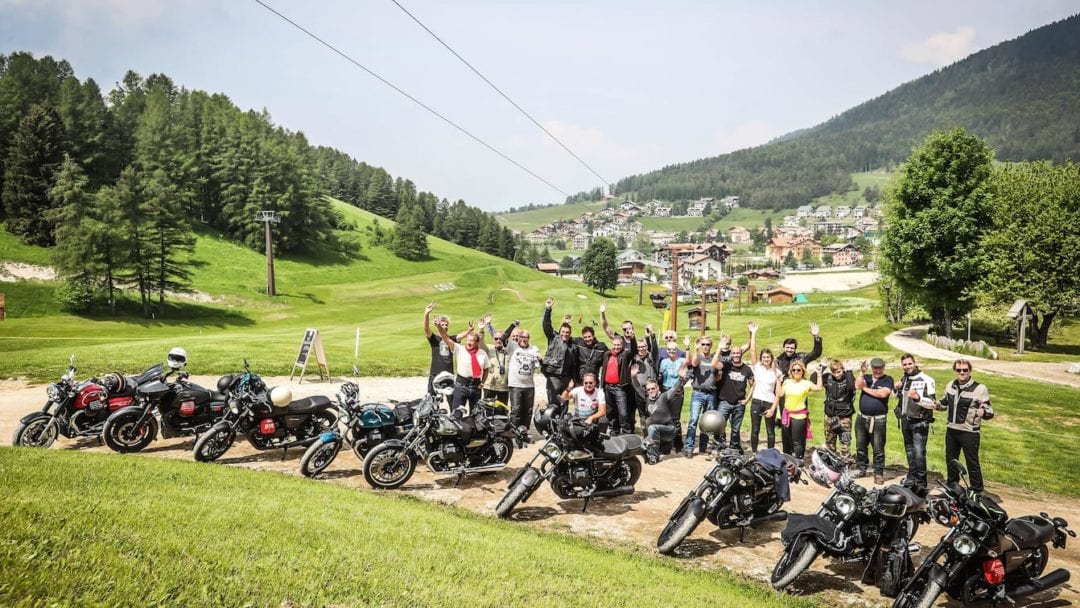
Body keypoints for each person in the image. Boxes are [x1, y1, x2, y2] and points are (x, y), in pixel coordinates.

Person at [937, 359, 993, 494]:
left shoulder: (980, 388)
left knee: (972, 462)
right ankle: (952, 488)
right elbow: (945, 403)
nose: (962, 372)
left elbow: (990, 411)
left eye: (965, 370)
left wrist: (984, 412)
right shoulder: (950, 385)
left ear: (970, 371)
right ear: (955, 371)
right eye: (959, 370)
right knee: (951, 461)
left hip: (969, 432)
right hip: (951, 430)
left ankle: (977, 491)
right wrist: (936, 404)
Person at [894, 353, 937, 495]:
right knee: (909, 450)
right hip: (906, 420)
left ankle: (921, 483)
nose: (907, 366)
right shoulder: (904, 378)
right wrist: (896, 389)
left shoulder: (927, 379)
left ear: (914, 363)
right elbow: (899, 397)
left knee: (919, 453)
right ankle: (911, 478)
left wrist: (918, 398)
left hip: (920, 421)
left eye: (909, 364)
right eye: (905, 364)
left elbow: (932, 404)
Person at [631, 363, 686, 464]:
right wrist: (634, 377)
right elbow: (637, 387)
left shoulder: (664, 396)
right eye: (649, 389)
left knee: (652, 427)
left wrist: (680, 378)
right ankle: (663, 447)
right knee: (641, 444)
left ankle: (654, 457)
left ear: (658, 388)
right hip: (657, 433)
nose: (651, 391)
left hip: (669, 430)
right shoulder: (646, 398)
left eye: (653, 388)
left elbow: (674, 388)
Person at [709, 340, 753, 457]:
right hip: (725, 402)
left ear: (741, 354)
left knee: (735, 429)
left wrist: (747, 399)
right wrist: (719, 347)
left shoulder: (747, 369)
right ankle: (718, 447)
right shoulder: (726, 366)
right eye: (733, 353)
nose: (736, 355)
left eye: (738, 353)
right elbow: (713, 364)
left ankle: (733, 449)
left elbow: (753, 384)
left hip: (739, 404)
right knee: (719, 427)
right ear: (731, 355)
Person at [854, 357, 894, 485]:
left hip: (878, 420)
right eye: (875, 368)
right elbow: (857, 385)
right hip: (862, 417)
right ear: (872, 368)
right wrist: (861, 372)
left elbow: (883, 394)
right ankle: (861, 468)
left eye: (880, 368)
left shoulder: (888, 379)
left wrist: (865, 389)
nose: (878, 370)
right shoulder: (867, 378)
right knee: (860, 446)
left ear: (883, 367)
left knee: (878, 447)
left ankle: (878, 473)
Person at [774, 360, 821, 460]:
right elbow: (779, 394)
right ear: (791, 371)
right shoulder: (787, 382)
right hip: (787, 415)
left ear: (802, 371)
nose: (796, 372)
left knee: (797, 441)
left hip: (799, 417)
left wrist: (819, 374)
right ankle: (787, 461)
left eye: (798, 370)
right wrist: (778, 381)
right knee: (786, 440)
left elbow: (818, 388)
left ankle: (799, 461)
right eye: (794, 370)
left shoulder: (806, 383)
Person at [437, 325, 488, 419]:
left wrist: (482, 383)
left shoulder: (482, 353)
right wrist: (439, 327)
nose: (469, 342)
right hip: (461, 385)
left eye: (472, 340)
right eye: (468, 340)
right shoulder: (459, 349)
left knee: (475, 414)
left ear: (477, 342)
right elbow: (446, 338)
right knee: (457, 413)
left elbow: (486, 369)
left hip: (476, 386)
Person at [683, 335, 718, 458]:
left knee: (707, 422)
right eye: (703, 344)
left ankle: (704, 446)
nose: (705, 347)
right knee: (693, 420)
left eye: (707, 344)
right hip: (698, 393)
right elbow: (693, 363)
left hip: (711, 393)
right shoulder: (697, 356)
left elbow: (718, 374)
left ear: (711, 346)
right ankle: (689, 447)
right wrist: (696, 349)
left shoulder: (714, 358)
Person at [814, 359, 856, 458]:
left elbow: (851, 387)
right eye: (834, 372)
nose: (836, 375)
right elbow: (813, 380)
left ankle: (845, 466)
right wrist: (821, 368)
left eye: (839, 372)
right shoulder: (828, 378)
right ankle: (832, 466)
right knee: (829, 443)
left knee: (845, 444)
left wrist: (849, 371)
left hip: (844, 417)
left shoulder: (848, 378)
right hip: (830, 416)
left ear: (843, 369)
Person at [541, 297, 577, 407]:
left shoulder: (573, 345)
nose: (565, 334)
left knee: (564, 405)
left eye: (567, 332)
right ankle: (551, 424)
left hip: (566, 378)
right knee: (553, 405)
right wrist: (548, 309)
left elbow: (574, 364)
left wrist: (573, 380)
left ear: (570, 333)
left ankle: (562, 424)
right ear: (560, 331)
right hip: (553, 377)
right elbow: (546, 325)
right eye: (563, 332)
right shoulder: (554, 338)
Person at [748, 337, 782, 453]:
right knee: (755, 429)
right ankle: (754, 452)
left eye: (768, 357)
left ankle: (770, 454)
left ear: (771, 358)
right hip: (757, 401)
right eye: (763, 357)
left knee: (770, 431)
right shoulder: (757, 368)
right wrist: (753, 333)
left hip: (769, 403)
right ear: (761, 359)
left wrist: (773, 409)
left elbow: (778, 394)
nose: (766, 359)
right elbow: (752, 351)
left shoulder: (777, 372)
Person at [506, 327, 541, 435]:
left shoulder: (533, 348)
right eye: (521, 337)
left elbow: (538, 362)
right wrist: (512, 325)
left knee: (528, 411)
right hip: (515, 385)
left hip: (529, 386)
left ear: (529, 338)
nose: (523, 339)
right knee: (516, 410)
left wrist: (539, 358)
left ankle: (524, 433)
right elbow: (503, 338)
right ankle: (514, 433)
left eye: (525, 337)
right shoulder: (513, 347)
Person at [600, 334, 636, 435]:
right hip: (607, 387)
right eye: (614, 345)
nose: (616, 347)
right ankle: (614, 431)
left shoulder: (625, 354)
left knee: (623, 413)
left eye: (618, 345)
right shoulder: (607, 354)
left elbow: (634, 351)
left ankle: (627, 434)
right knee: (611, 412)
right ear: (612, 345)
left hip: (619, 388)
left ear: (622, 345)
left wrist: (632, 338)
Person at [657, 338, 688, 452]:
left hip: (677, 392)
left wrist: (687, 347)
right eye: (669, 349)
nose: (671, 351)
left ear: (677, 350)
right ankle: (666, 443)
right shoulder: (663, 362)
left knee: (675, 419)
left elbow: (688, 362)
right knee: (665, 418)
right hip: (665, 390)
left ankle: (678, 444)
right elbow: (660, 376)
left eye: (674, 349)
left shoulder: (681, 360)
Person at [481, 314, 519, 406]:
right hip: (489, 386)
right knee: (487, 410)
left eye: (500, 339)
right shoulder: (489, 349)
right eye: (496, 339)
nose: (498, 340)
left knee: (502, 411)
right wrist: (481, 330)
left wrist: (512, 326)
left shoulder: (510, 350)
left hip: (503, 387)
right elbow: (480, 342)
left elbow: (504, 336)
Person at [423, 302, 456, 395]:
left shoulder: (451, 339)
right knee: (431, 398)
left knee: (452, 400)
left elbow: (461, 336)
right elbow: (426, 329)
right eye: (442, 324)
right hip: (435, 373)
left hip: (449, 374)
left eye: (446, 325)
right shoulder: (435, 339)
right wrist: (426, 314)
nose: (444, 327)